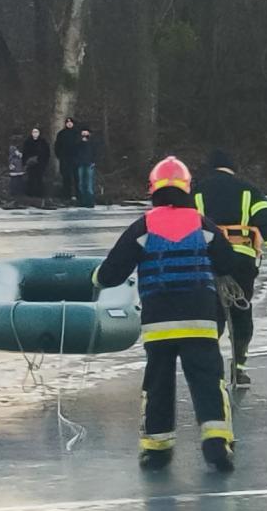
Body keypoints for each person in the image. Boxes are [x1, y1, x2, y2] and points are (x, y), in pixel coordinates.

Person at [92, 156, 236, 472]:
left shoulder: (144, 226)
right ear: (187, 188)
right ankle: (216, 446)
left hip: (159, 324)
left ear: (153, 189)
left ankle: (157, 450)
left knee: (158, 384)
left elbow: (112, 272)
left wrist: (94, 281)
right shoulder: (202, 224)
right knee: (209, 382)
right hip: (200, 321)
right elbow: (228, 262)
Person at [193, 148, 267, 388]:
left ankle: (210, 370)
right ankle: (239, 369)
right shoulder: (249, 191)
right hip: (242, 260)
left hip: (207, 261)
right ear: (232, 168)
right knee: (241, 311)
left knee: (211, 315)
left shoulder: (197, 193)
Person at [54, 117, 79, 200]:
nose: (69, 124)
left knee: (77, 178)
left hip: (75, 159)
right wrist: (59, 155)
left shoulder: (77, 133)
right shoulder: (61, 134)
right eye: (67, 122)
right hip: (64, 159)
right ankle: (66, 195)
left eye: (71, 122)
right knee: (66, 178)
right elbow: (57, 146)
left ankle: (78, 195)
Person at [21, 127, 50, 198]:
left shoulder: (43, 142)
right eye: (34, 132)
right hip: (30, 164)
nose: (35, 133)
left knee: (39, 179)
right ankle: (30, 194)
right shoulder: (28, 142)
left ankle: (39, 194)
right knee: (31, 179)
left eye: (36, 132)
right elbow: (25, 153)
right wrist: (25, 162)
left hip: (40, 163)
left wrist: (43, 161)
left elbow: (47, 153)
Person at [75, 127, 96, 208]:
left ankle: (90, 202)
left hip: (89, 164)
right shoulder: (78, 143)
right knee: (81, 184)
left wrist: (94, 161)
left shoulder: (92, 143)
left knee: (89, 184)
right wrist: (77, 162)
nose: (84, 135)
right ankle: (82, 201)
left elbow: (96, 152)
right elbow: (75, 152)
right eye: (83, 133)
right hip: (80, 164)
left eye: (86, 133)